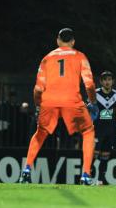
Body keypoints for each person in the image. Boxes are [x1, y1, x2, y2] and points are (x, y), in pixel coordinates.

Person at [20, 28, 98, 185]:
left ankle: (26, 170)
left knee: (40, 133)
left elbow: (38, 89)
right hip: (72, 101)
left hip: (49, 102)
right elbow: (89, 84)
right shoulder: (80, 56)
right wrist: (92, 101)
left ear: (57, 40)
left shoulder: (47, 59)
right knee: (88, 131)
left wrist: (38, 105)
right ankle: (85, 175)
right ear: (73, 42)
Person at [94, 71, 116, 183]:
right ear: (101, 81)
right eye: (105, 80)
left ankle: (100, 181)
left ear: (113, 81)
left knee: (105, 156)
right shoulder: (95, 94)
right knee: (93, 155)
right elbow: (89, 110)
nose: (107, 82)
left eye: (109, 79)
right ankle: (87, 177)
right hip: (97, 129)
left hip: (110, 130)